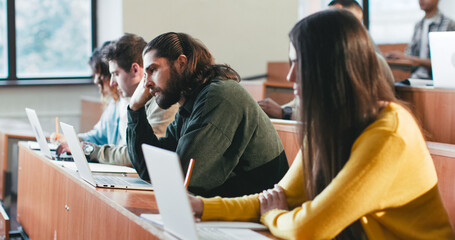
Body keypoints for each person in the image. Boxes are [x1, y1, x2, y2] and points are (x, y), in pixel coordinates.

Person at [190, 9, 454, 239]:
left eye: (298, 63)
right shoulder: (326, 126)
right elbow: (277, 197)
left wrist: (273, 216)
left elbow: (308, 227)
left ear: (331, 67)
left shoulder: (390, 133)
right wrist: (201, 206)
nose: (291, 76)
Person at [127, 32, 289, 197]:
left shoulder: (219, 97)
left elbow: (184, 179)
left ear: (181, 63)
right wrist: (135, 108)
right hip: (228, 211)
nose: (147, 83)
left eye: (153, 70)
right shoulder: (192, 103)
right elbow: (149, 169)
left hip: (261, 214)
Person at [259, 0, 394, 120]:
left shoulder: (366, 63)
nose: (290, 77)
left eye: (301, 62)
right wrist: (281, 110)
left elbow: (344, 113)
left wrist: (285, 113)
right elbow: (300, 104)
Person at [57, 34, 178, 166]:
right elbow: (100, 135)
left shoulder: (162, 103)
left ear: (135, 70)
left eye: (116, 74)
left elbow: (137, 155)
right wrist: (74, 141)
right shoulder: (123, 101)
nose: (112, 82)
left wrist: (90, 150)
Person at [386, 0, 455, 79]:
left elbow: (445, 63)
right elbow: (409, 55)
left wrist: (408, 58)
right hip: (415, 77)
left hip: (436, 79)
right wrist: (394, 57)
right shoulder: (418, 25)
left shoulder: (448, 24)